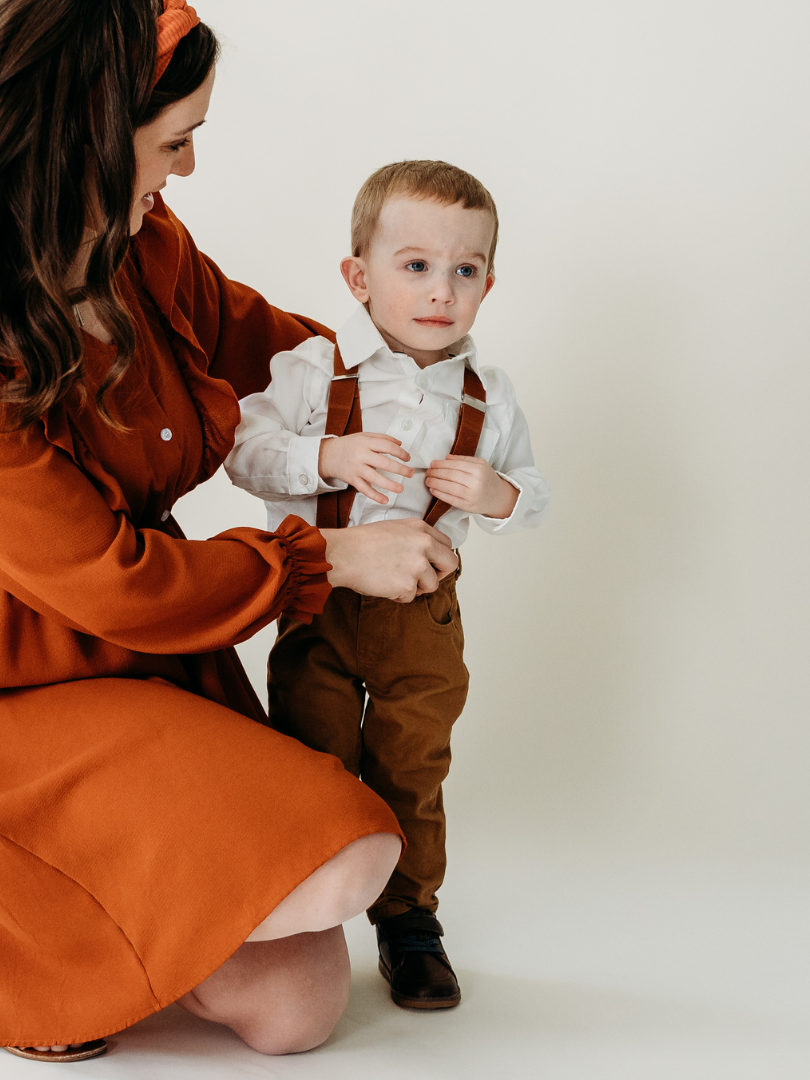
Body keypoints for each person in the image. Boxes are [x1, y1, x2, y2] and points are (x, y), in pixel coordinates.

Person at [0, 1, 461, 1063]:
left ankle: (131, 922)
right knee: (353, 855)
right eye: (175, 141)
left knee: (300, 1008)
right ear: (81, 134)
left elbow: (288, 361)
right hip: (12, 695)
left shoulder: (138, 252)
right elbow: (106, 577)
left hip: (163, 656)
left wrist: (431, 389)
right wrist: (332, 555)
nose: (192, 167)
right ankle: (46, 937)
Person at [224, 160, 550, 1010]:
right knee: (315, 755)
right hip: (318, 603)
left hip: (424, 618)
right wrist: (325, 456)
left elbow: (532, 495)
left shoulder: (490, 395)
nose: (442, 290)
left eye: (465, 270)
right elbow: (243, 453)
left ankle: (409, 921)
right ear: (358, 277)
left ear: (488, 282)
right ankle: (309, 906)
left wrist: (498, 495)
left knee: (412, 765)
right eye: (415, 265)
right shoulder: (311, 370)